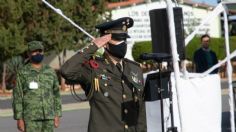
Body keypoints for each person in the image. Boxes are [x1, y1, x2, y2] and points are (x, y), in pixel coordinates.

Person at [61, 17, 147, 132]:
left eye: (124, 39)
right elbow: (67, 71)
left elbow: (140, 109)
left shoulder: (134, 69)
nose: (123, 43)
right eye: (118, 40)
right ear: (105, 43)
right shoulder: (93, 68)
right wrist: (93, 46)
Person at [12, 41, 62, 132]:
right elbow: (17, 97)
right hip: (30, 118)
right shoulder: (22, 72)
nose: (38, 53)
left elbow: (56, 94)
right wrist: (19, 118)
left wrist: (57, 114)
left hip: (48, 117)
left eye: (40, 51)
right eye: (35, 51)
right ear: (28, 53)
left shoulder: (50, 71)